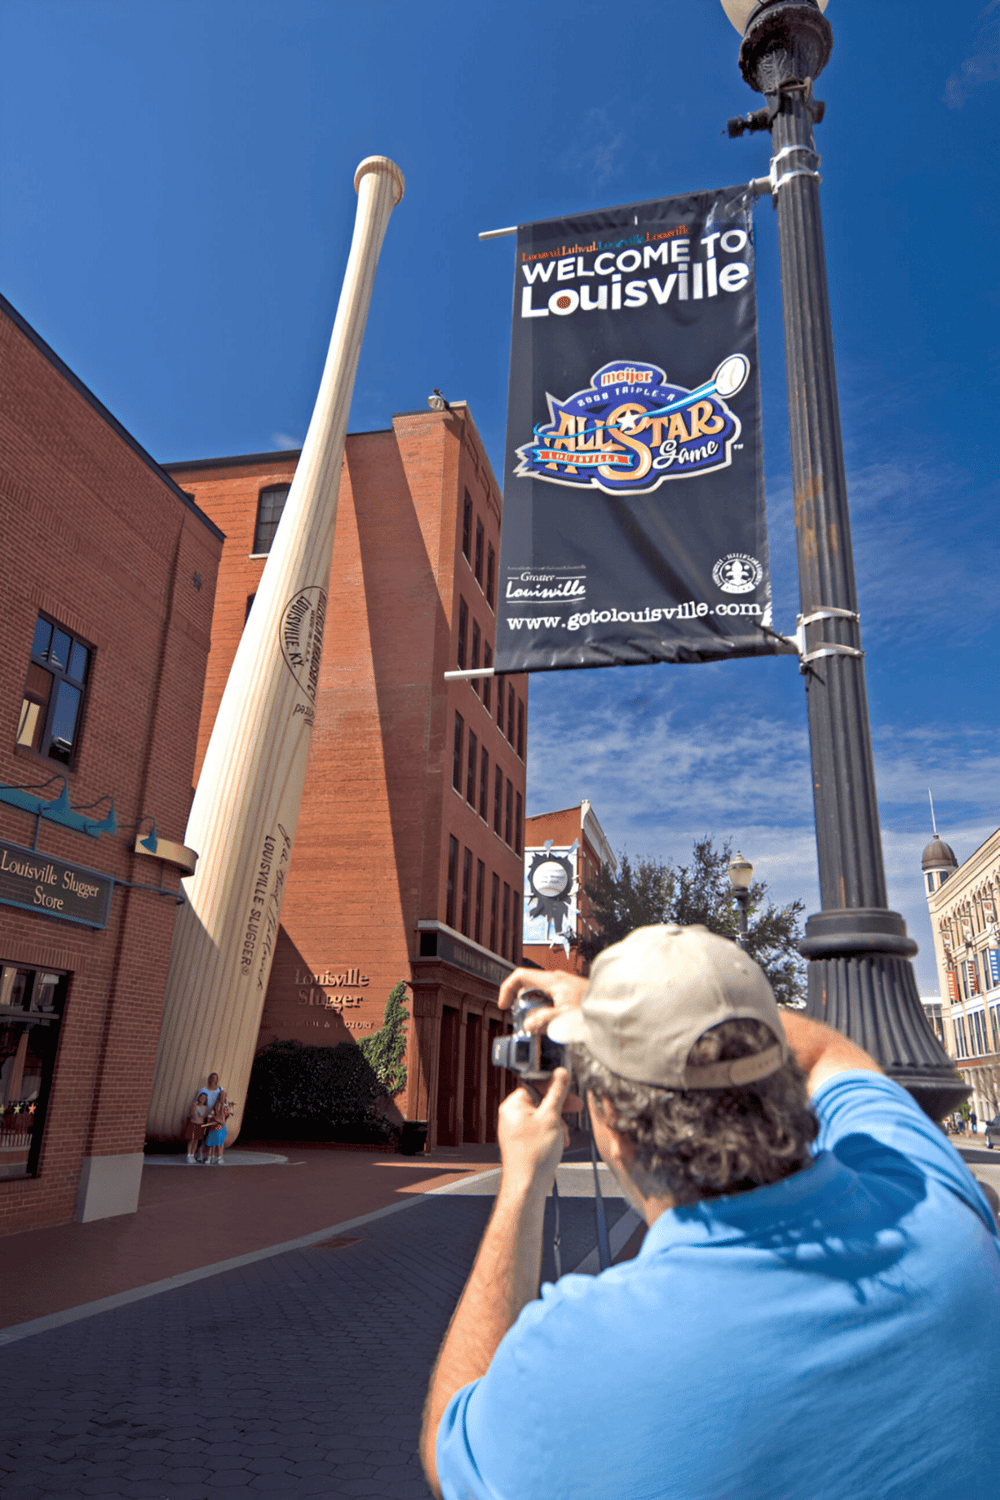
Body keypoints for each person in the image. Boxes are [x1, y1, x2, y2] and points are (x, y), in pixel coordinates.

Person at [421, 923, 1000, 1500]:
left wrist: (520, 1182)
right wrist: (625, 999)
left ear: (615, 1127)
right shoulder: (932, 1203)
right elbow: (828, 1053)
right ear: (777, 1078)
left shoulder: (583, 1361)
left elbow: (452, 1445)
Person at [203, 1088, 231, 1165]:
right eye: (221, 1095)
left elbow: (225, 1117)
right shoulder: (216, 1105)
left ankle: (220, 1157)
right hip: (214, 1125)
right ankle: (209, 1157)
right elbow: (213, 1114)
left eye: (224, 1095)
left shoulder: (226, 1106)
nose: (223, 1097)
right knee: (211, 1142)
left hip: (221, 1126)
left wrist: (223, 1119)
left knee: (220, 1143)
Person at [184, 1092, 209, 1164]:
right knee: (191, 1140)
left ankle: (192, 1155)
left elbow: (204, 1116)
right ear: (199, 1098)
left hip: (200, 1125)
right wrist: (194, 1108)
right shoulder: (194, 1105)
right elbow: (191, 1114)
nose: (202, 1099)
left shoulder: (205, 1108)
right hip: (193, 1124)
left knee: (196, 1141)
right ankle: (189, 1155)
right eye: (201, 1097)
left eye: (204, 1098)